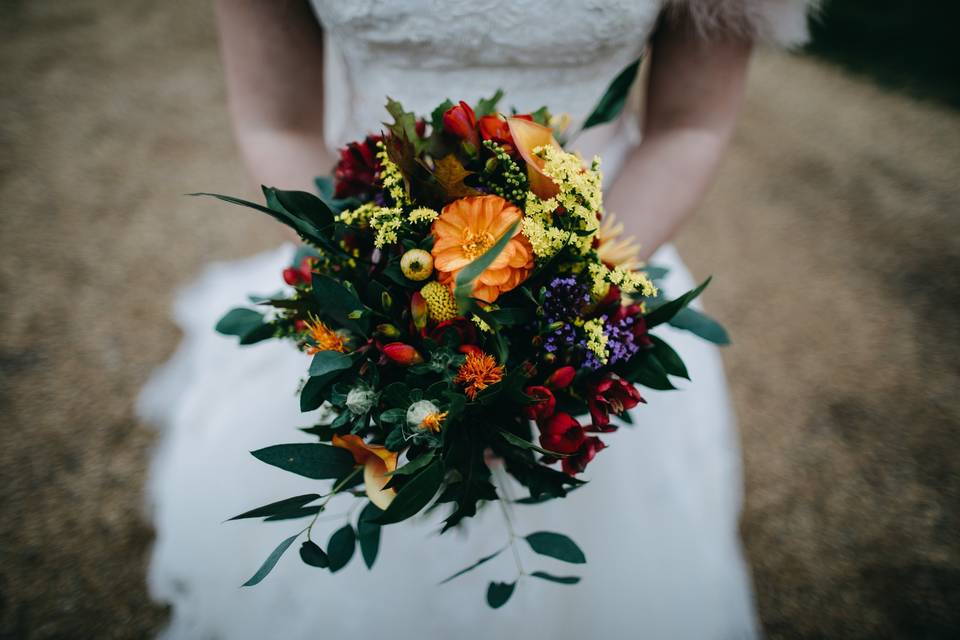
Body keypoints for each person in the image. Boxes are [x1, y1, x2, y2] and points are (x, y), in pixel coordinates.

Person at [140, 1, 814, 638]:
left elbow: (689, 125)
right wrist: (379, 300)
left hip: (596, 269)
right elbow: (276, 126)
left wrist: (557, 321)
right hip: (371, 259)